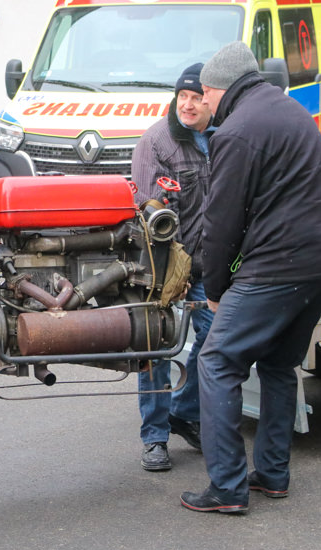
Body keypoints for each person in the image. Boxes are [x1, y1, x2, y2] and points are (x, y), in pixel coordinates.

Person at [180, 42, 321, 513]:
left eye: (207, 96)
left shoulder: (236, 131)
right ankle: (272, 475)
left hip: (282, 264)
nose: (205, 105)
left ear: (219, 89)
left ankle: (227, 488)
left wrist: (215, 290)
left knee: (216, 362)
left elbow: (221, 223)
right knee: (278, 364)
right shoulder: (291, 110)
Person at [131, 62, 214, 472]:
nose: (188, 105)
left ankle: (183, 409)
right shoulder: (157, 142)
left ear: (212, 100)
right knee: (158, 345)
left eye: (197, 98)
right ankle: (155, 437)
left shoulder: (222, 138)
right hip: (162, 267)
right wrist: (171, 274)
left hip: (209, 265)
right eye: (183, 96)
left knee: (217, 340)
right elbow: (152, 218)